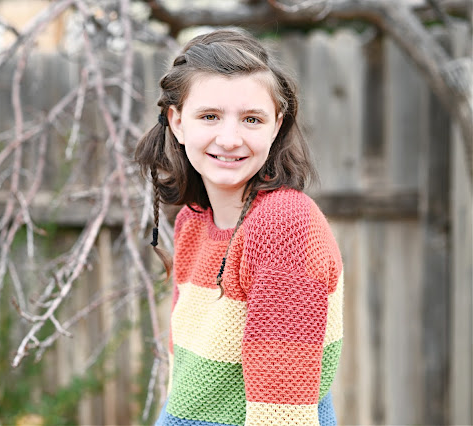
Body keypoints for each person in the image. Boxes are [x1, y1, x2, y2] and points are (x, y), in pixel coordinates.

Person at [134, 27, 343, 425]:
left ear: (276, 126)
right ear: (177, 122)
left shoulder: (283, 226)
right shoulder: (194, 221)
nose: (229, 139)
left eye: (251, 119)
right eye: (209, 116)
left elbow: (283, 415)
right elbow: (186, 386)